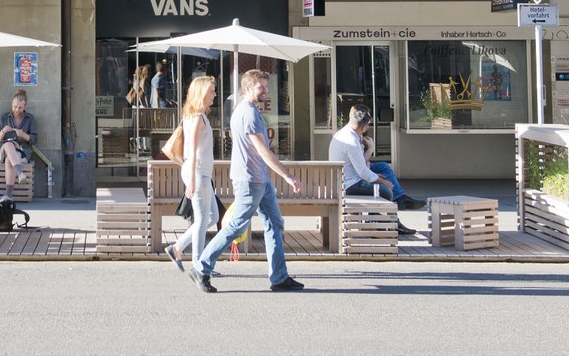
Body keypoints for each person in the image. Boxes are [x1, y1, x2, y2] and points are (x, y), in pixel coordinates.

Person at [193, 69, 305, 294]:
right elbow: (262, 151)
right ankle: (201, 267)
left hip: (260, 179)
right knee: (236, 226)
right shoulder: (249, 114)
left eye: (265, 86)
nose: (265, 90)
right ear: (247, 88)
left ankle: (279, 277)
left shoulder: (246, 111)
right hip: (250, 180)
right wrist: (288, 175)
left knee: (275, 223)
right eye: (260, 87)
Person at [329, 104, 421, 236]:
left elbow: (361, 163)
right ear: (364, 125)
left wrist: (372, 171)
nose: (368, 127)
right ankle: (380, 223)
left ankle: (400, 198)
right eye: (368, 123)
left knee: (383, 167)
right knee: (385, 191)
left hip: (349, 175)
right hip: (348, 184)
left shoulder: (348, 133)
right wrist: (384, 182)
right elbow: (363, 171)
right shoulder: (351, 141)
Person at [166, 75, 218, 274]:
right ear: (202, 93)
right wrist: (192, 181)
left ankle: (178, 247)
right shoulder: (196, 118)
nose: (214, 94)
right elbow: (193, 148)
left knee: (210, 217)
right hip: (197, 173)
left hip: (201, 173)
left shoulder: (196, 116)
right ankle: (198, 263)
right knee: (204, 218)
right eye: (211, 91)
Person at [0, 90, 37, 201]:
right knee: (9, 145)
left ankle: (8, 195)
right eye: (14, 107)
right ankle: (20, 173)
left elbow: (34, 140)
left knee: (11, 160)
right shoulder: (4, 117)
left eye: (20, 107)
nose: (16, 110)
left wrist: (23, 134)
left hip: (22, 150)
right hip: (5, 147)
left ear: (25, 106)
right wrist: (3, 131)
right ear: (11, 104)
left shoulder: (30, 118)